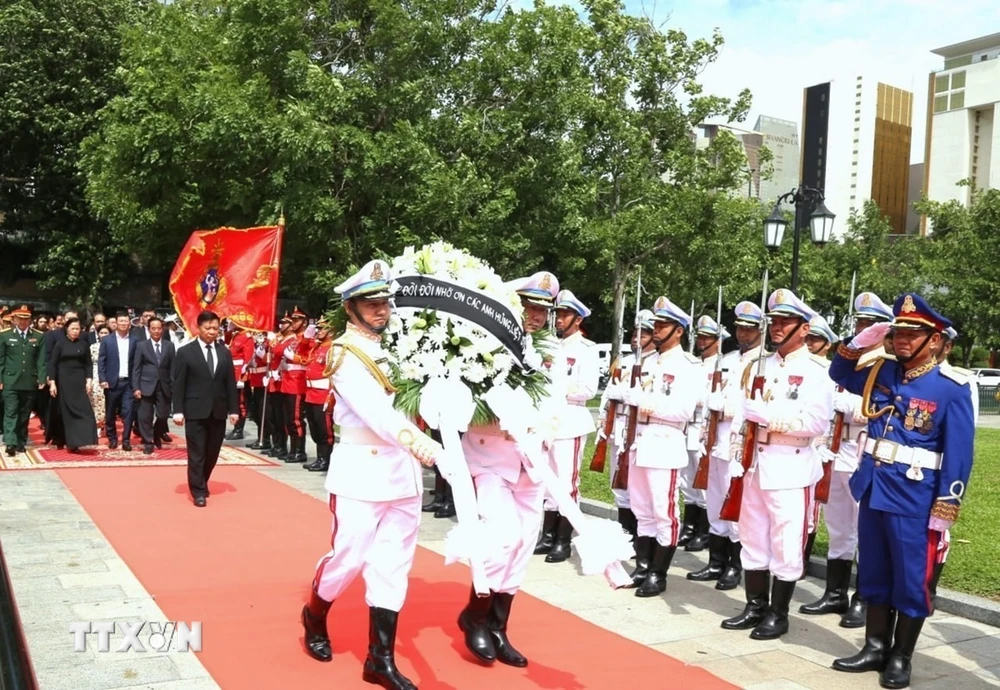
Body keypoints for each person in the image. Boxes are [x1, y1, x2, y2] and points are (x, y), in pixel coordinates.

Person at [300, 260, 442, 690]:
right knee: (349, 558)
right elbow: (377, 413)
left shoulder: (401, 347)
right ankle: (315, 613)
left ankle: (379, 659)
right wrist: (420, 442)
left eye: (385, 302)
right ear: (351, 308)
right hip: (362, 471)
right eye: (371, 303)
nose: (382, 310)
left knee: (392, 565)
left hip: (402, 474)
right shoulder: (343, 353)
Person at [829, 293, 974, 689]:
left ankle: (901, 657)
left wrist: (946, 505)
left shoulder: (952, 387)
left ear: (936, 340)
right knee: (874, 572)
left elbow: (959, 454)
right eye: (899, 332)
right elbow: (839, 374)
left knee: (912, 580)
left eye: (914, 333)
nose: (904, 340)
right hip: (874, 487)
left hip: (916, 497)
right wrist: (858, 343)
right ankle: (874, 646)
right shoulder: (883, 371)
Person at [457, 270, 560, 668]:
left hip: (532, 461)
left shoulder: (549, 351)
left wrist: (549, 426)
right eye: (529, 307)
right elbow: (463, 410)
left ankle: (499, 625)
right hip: (490, 457)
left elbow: (556, 399)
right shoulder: (482, 346)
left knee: (522, 544)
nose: (535, 316)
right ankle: (476, 616)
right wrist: (505, 424)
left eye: (542, 310)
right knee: (500, 538)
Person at [721, 289, 833, 641]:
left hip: (791, 463)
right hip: (755, 463)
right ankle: (754, 605)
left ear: (804, 328)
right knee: (752, 537)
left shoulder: (818, 370)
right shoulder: (759, 365)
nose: (778, 327)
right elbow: (741, 415)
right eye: (775, 321)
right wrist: (738, 454)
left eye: (786, 321)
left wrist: (770, 417)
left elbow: (817, 423)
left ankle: (778, 613)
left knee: (786, 541)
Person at [799, 293, 892, 626]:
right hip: (834, 451)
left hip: (863, 451)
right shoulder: (845, 364)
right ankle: (835, 592)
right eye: (859, 324)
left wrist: (849, 408)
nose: (861, 331)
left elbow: (881, 410)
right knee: (838, 526)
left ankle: (863, 599)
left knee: (864, 529)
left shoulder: (884, 365)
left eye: (869, 325)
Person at [619, 297, 700, 597]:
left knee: (663, 511)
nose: (656, 330)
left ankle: (658, 572)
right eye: (655, 324)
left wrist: (645, 402)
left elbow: (683, 411)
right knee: (641, 509)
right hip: (641, 441)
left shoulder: (688, 366)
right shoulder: (647, 362)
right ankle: (643, 565)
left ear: (678, 331)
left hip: (665, 442)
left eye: (663, 325)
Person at [689, 302, 764, 591]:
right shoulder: (727, 358)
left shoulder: (764, 362)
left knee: (735, 506)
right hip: (714, 439)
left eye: (749, 329)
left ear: (760, 331)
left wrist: (729, 407)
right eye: (740, 328)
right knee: (714, 502)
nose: (743, 333)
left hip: (739, 442)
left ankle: (735, 565)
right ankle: (716, 561)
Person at [534, 289, 599, 563]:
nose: (559, 319)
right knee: (547, 481)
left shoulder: (587, 349)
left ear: (578, 319)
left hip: (570, 420)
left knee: (566, 482)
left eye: (565, 315)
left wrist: (559, 385)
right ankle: (547, 535)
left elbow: (587, 388)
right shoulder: (548, 345)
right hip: (547, 420)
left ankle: (563, 539)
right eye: (558, 314)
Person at [598, 309, 656, 544]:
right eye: (634, 334)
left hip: (640, 429)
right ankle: (625, 535)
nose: (636, 339)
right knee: (619, 484)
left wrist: (623, 392)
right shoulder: (624, 361)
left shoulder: (655, 364)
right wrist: (604, 423)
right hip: (619, 426)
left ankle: (639, 536)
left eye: (643, 335)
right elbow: (606, 398)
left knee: (639, 489)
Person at [171, 310, 240, 507]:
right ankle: (198, 491)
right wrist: (178, 410)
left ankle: (202, 480)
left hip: (218, 410)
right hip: (194, 410)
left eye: (215, 328)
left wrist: (233, 410)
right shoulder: (185, 352)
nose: (211, 332)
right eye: (207, 328)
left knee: (212, 452)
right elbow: (179, 383)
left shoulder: (224, 352)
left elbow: (229, 383)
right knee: (197, 452)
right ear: (198, 328)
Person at [679, 316, 726, 553]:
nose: (702, 341)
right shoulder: (694, 364)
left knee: (705, 482)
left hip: (705, 429)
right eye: (700, 336)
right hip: (689, 426)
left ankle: (704, 530)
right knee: (688, 481)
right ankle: (689, 526)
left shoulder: (722, 365)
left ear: (718, 340)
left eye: (707, 337)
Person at [800, 314, 838, 575]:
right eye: (809, 338)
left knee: (812, 506)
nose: (810, 343)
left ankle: (801, 557)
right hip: (802, 440)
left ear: (827, 344)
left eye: (816, 340)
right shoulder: (801, 367)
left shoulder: (829, 371)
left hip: (821, 443)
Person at [46, 317, 98, 452]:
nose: (75, 331)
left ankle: (82, 440)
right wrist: (52, 383)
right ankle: (69, 442)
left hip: (79, 381)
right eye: (72, 329)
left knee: (84, 412)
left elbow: (88, 364)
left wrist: (89, 380)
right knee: (66, 412)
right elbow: (53, 364)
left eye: (77, 329)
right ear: (67, 330)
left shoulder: (83, 344)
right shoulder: (60, 344)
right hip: (63, 380)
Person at [0, 305, 47, 456]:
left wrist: (41, 377)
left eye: (26, 318)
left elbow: (41, 360)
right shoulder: (5, 335)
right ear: (14, 319)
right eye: (20, 318)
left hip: (29, 381)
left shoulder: (38, 336)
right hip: (10, 380)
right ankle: (11, 443)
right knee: (11, 412)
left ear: (30, 320)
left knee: (24, 413)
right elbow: (1, 359)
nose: (22, 321)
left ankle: (21, 441)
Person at [132, 317, 176, 454]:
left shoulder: (169, 346)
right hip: (146, 385)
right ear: (149, 329)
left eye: (159, 328)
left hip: (164, 385)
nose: (156, 331)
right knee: (145, 416)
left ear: (162, 329)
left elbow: (172, 368)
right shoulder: (142, 345)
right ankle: (148, 441)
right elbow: (136, 368)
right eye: (153, 328)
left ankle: (157, 434)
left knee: (163, 415)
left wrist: (173, 385)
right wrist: (136, 387)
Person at [98, 313, 138, 450]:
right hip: (112, 382)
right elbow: (101, 361)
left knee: (128, 412)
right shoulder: (107, 340)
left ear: (129, 323)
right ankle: (112, 438)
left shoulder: (135, 340)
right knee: (110, 413)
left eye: (126, 321)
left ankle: (126, 440)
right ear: (116, 323)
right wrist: (102, 379)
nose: (123, 323)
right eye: (121, 321)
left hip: (129, 382)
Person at [302, 317, 335, 473]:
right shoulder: (316, 347)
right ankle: (319, 458)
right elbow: (302, 350)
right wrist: (307, 336)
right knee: (314, 426)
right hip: (311, 393)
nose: (319, 331)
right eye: (318, 328)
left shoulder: (332, 349)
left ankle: (326, 460)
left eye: (323, 329)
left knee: (324, 429)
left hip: (323, 393)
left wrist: (331, 395)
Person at [225, 323, 254, 441]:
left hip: (239, 374)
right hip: (232, 372)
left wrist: (243, 377)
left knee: (240, 403)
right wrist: (228, 331)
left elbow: (248, 359)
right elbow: (227, 345)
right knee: (233, 402)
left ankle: (239, 430)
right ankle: (235, 427)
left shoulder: (247, 337)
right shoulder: (235, 335)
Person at [89, 324, 111, 435]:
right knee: (95, 399)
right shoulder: (93, 346)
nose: (103, 335)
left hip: (109, 373)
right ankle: (97, 424)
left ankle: (106, 424)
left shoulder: (113, 346)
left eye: (106, 333)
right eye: (101, 333)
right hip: (95, 374)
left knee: (106, 400)